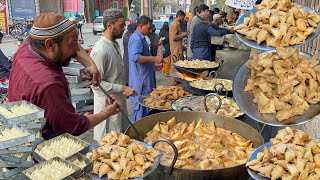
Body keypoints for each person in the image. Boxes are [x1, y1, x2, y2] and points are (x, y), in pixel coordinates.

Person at [8, 12, 120, 140]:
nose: (75, 49)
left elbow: (74, 45)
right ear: (50, 45)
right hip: (41, 140)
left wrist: (90, 64)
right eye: (71, 43)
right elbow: (73, 126)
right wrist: (106, 112)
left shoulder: (30, 45)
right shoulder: (48, 84)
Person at [90, 9, 136, 141]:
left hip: (118, 104)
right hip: (106, 109)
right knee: (108, 150)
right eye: (121, 25)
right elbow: (97, 85)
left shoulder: (114, 45)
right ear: (109, 26)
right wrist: (122, 88)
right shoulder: (100, 50)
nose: (124, 28)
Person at [128, 16, 163, 122]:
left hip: (144, 78)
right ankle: (138, 135)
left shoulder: (140, 37)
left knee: (145, 108)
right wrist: (154, 58)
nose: (150, 30)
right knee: (141, 110)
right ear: (141, 25)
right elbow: (136, 57)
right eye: (148, 27)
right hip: (141, 81)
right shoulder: (137, 39)